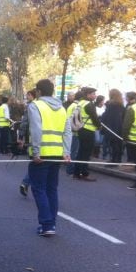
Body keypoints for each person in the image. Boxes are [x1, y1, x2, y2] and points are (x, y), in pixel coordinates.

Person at [28, 79, 71, 236]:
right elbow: (67, 132)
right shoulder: (61, 108)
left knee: (39, 189)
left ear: (38, 92)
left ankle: (46, 225)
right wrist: (66, 152)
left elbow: (36, 129)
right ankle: (51, 223)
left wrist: (36, 151)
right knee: (52, 189)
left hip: (42, 154)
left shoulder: (35, 105)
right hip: (57, 154)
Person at [73, 87, 100, 181]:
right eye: (93, 94)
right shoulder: (89, 104)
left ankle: (76, 173)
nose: (95, 96)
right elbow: (95, 118)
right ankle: (85, 173)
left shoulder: (80, 103)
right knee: (86, 153)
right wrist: (99, 126)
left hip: (81, 129)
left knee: (81, 152)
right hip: (88, 130)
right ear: (88, 95)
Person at [18, 89, 37, 196]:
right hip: (36, 139)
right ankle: (26, 183)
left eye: (28, 95)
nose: (27, 97)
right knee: (37, 165)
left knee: (36, 165)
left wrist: (21, 137)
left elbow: (24, 123)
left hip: (33, 138)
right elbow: (25, 123)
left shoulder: (31, 106)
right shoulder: (31, 106)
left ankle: (26, 183)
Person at [101, 89, 125, 166]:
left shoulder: (111, 105)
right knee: (118, 145)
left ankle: (114, 161)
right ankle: (118, 160)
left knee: (112, 145)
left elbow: (106, 116)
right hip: (119, 128)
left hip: (111, 128)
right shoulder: (121, 105)